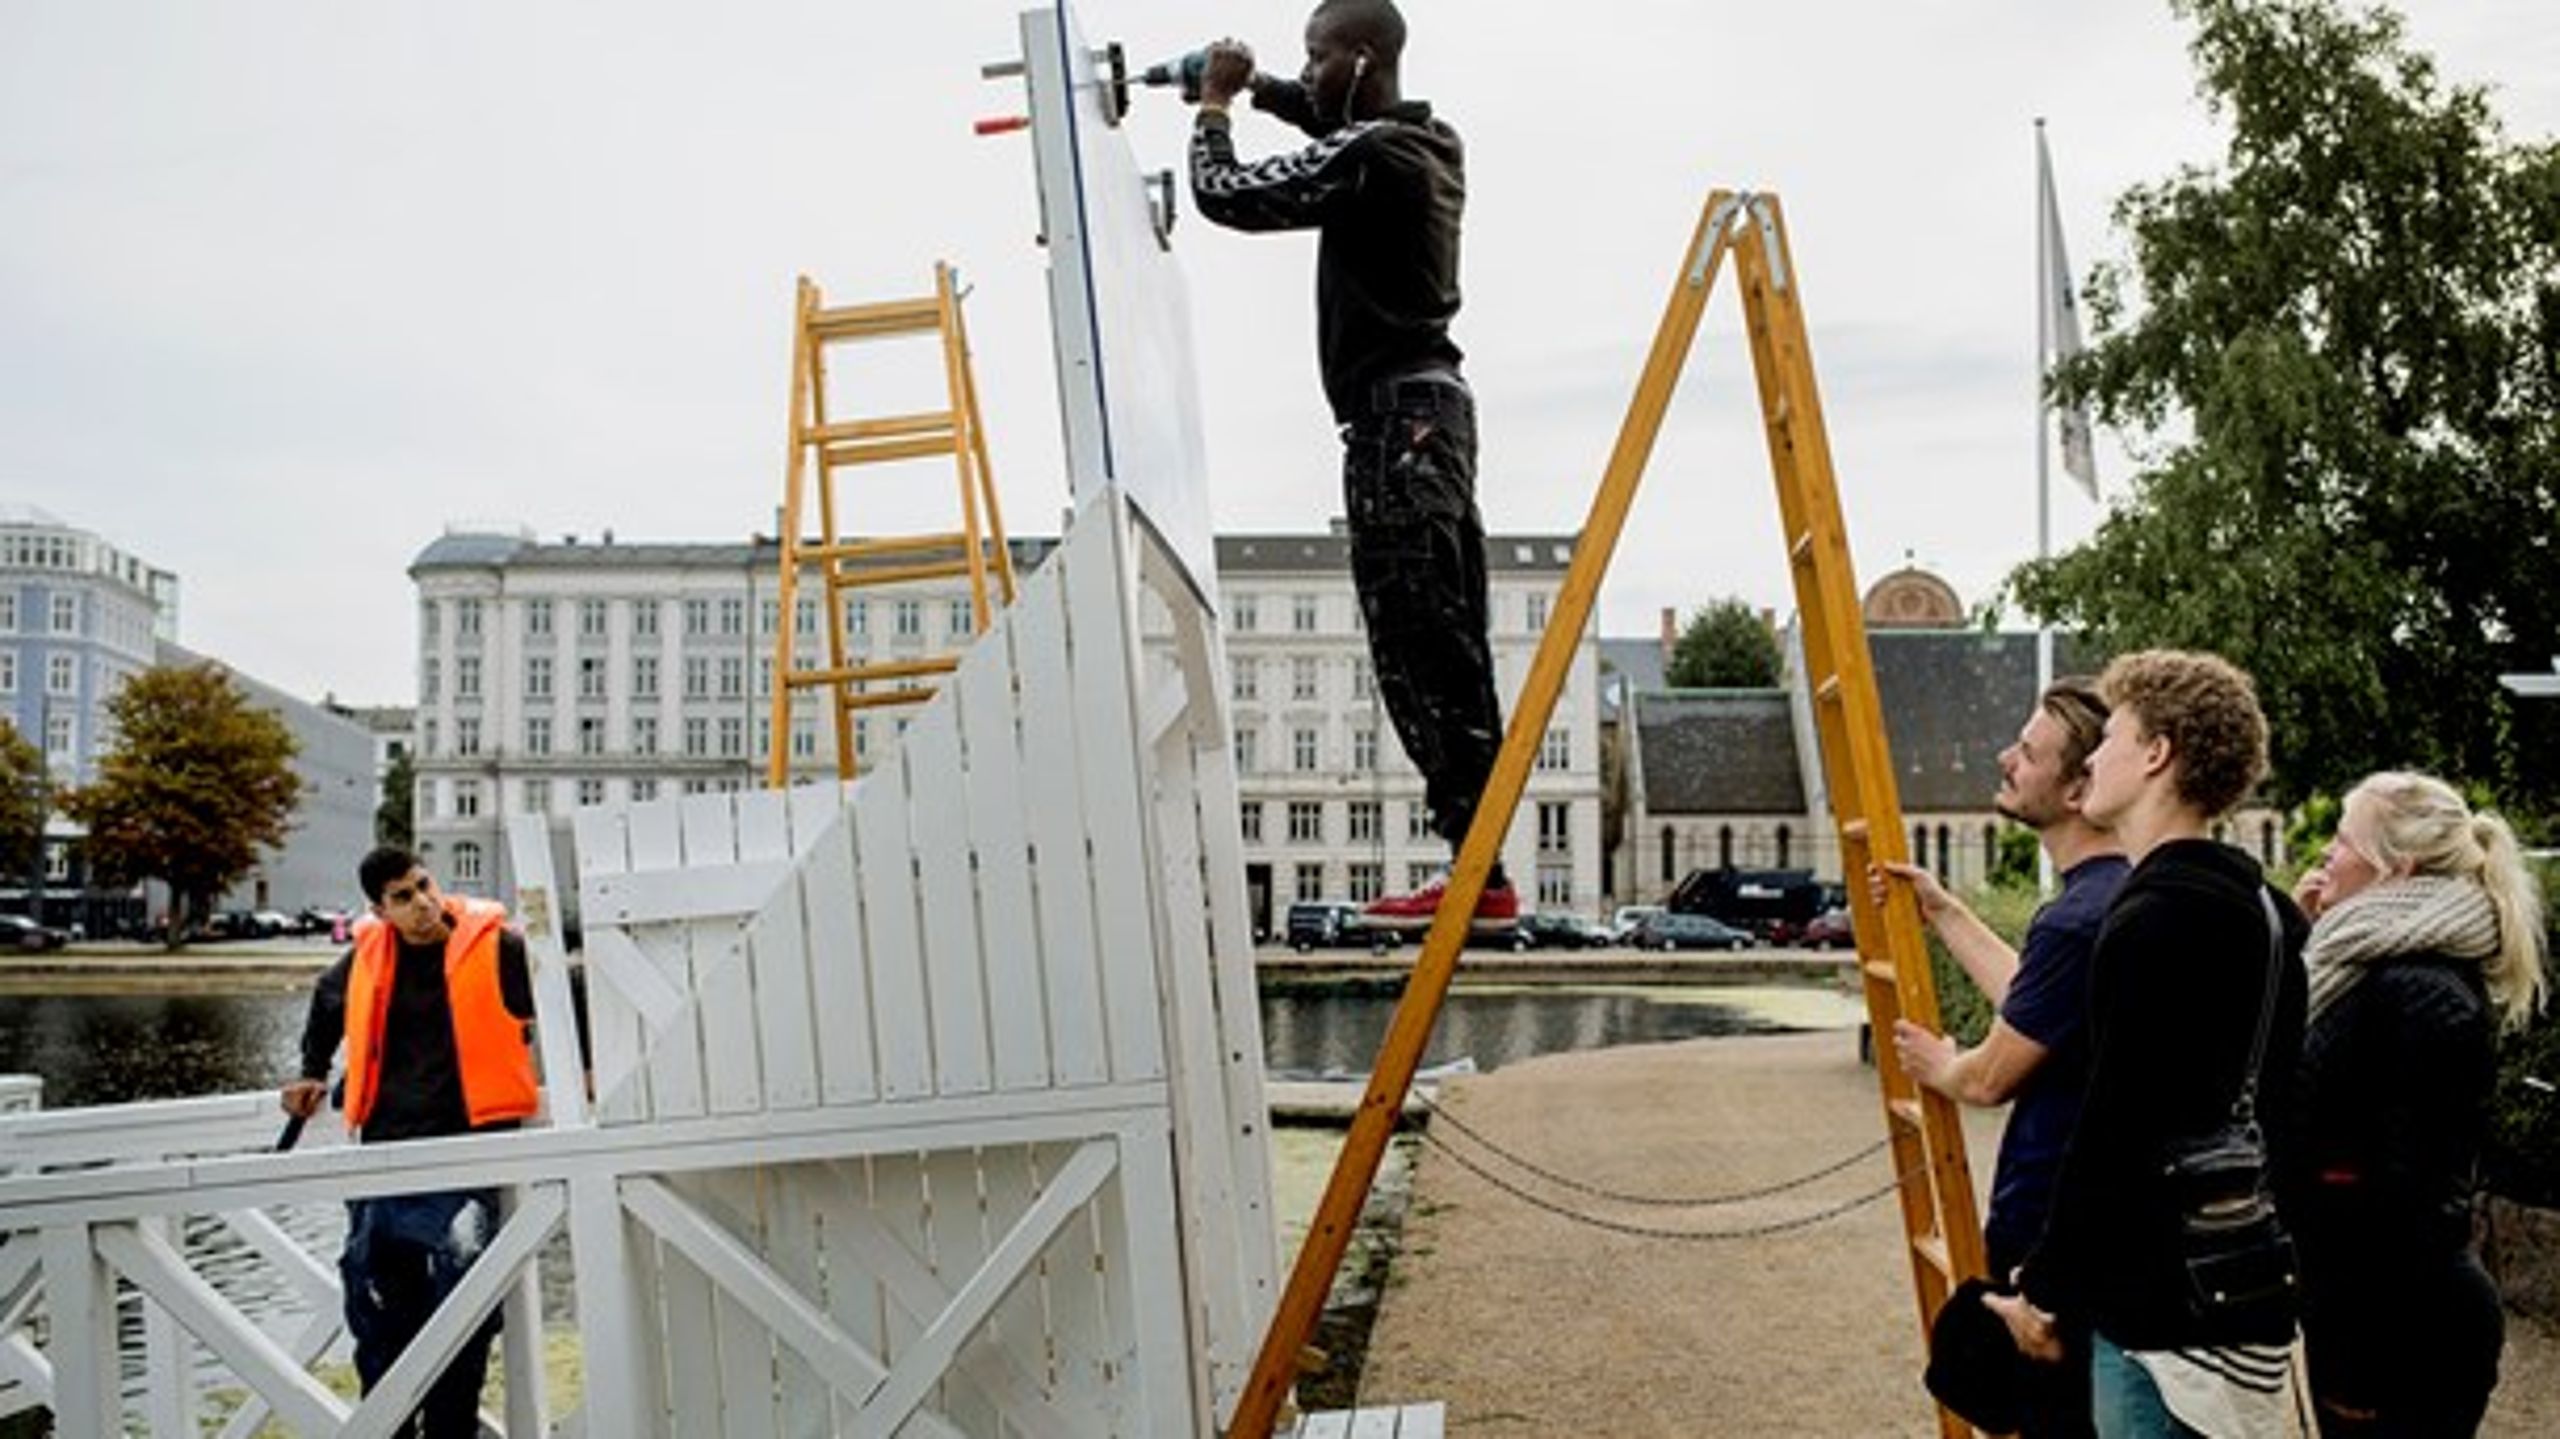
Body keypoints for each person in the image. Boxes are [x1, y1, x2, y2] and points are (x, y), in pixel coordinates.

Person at [1187, 0, 1515, 930]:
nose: (1310, 70)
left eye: (1317, 55)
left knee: (1413, 639)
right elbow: (1330, 118)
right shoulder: (1432, 142)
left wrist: (1215, 109)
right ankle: (1480, 864)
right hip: (1439, 414)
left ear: (1360, 60)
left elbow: (1229, 197)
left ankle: (1476, 873)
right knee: (1452, 641)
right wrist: (1268, 89)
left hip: (1394, 426)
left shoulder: (1370, 161)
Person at [1988, 650, 2308, 1438]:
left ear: (2158, 753)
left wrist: (2046, 1287)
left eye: (2114, 737)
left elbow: (2115, 1127)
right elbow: (2275, 1106)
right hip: (2243, 1279)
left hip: (2158, 1311)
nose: (2093, 756)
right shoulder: (2270, 914)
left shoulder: (2148, 916)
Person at [1880, 678, 2124, 1439]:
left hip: (2049, 1228)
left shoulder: (2078, 918)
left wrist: (1939, 1064)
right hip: (2090, 1225)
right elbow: (2035, 1000)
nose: (2006, 757)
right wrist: (1946, 911)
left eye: (2029, 750)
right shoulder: (2109, 899)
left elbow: (1992, 1075)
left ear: (2081, 786)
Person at [2283, 771, 2546, 1435]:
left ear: (2396, 866)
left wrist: (2358, 1359)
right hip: (2373, 1315)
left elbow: (2408, 1199)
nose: (2325, 856)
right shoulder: (2364, 964)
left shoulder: (2420, 991)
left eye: (2341, 840)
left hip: (2400, 1336)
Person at [281, 846, 539, 1437]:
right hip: (385, 1153)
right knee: (376, 1306)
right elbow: (325, 1002)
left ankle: (451, 1431)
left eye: (424, 885)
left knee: (465, 1308)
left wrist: (590, 1070)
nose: (423, 903)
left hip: (468, 1150)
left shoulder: (498, 948)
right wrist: (311, 1070)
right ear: (380, 909)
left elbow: (561, 994)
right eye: (403, 897)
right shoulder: (369, 953)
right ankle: (389, 1426)